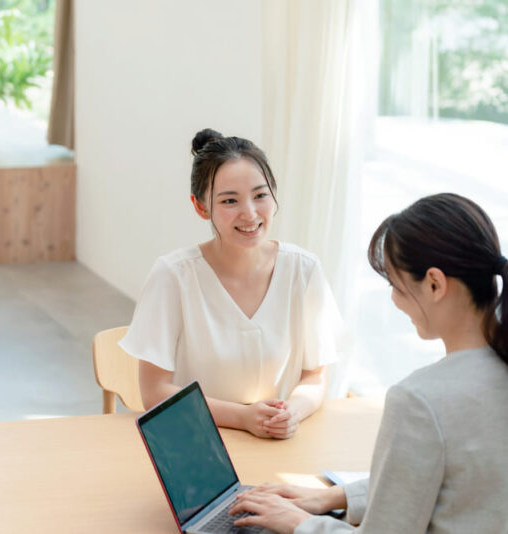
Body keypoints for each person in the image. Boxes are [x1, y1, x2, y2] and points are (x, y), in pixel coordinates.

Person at [230, 192, 508, 533]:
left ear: (435, 284)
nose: (394, 301)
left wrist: (300, 522)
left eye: (395, 285)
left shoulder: (421, 400)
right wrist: (334, 498)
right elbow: (463, 483)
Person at [119, 128, 346, 440]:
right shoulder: (174, 276)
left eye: (260, 195)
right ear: (201, 207)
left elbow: (316, 374)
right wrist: (242, 417)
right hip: (199, 441)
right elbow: (154, 391)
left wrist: (293, 411)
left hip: (280, 442)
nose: (250, 213)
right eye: (229, 200)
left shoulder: (303, 270)